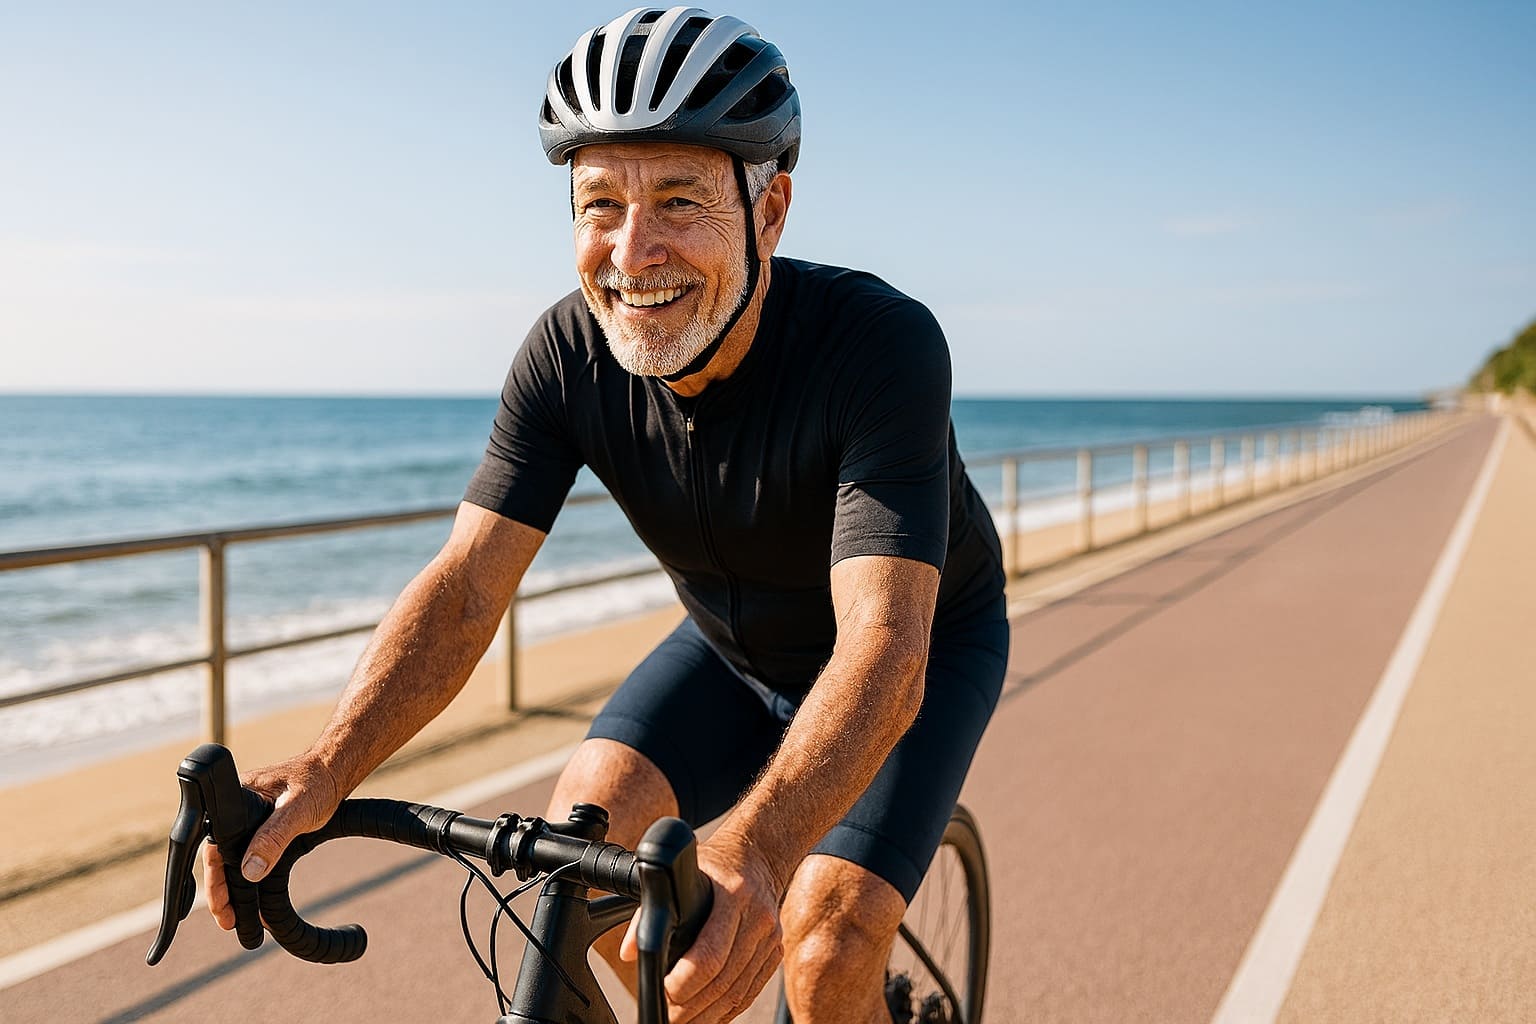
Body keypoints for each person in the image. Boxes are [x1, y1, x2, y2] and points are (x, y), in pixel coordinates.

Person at [203, 7, 1007, 1022]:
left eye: (679, 199)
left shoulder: (878, 347)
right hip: (728, 648)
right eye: (599, 204)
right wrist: (327, 766)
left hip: (917, 655)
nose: (634, 251)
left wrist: (754, 850)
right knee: (590, 880)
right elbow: (463, 592)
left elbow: (885, 650)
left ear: (769, 212)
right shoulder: (566, 357)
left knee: (827, 934)